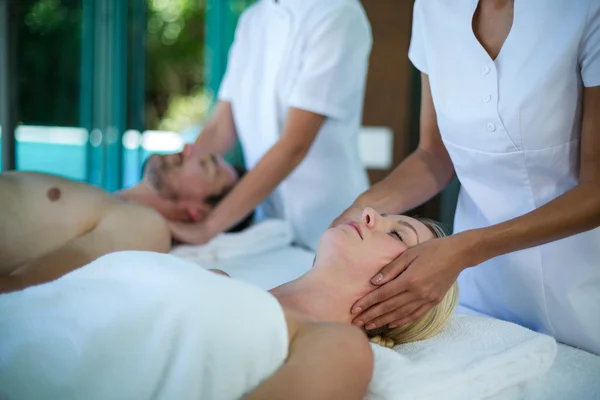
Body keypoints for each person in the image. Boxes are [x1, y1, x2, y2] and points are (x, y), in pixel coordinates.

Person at [332, 0, 600, 355]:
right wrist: (358, 209)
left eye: (399, 234)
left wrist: (466, 249)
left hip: (581, 285)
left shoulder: (584, 9)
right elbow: (433, 155)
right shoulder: (432, 8)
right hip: (479, 287)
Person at [0, 208, 458, 399]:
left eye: (398, 233)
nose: (370, 212)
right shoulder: (216, 280)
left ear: (410, 294)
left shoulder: (338, 347)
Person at [172, 0, 373, 251]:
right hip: (270, 224)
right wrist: (175, 183)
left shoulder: (337, 13)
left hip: (333, 220)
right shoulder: (252, 20)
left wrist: (207, 228)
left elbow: (294, 144)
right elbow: (220, 128)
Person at [0, 145, 252, 293]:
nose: (187, 149)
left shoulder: (146, 224)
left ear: (198, 210)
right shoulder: (104, 199)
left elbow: (24, 286)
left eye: (205, 164)